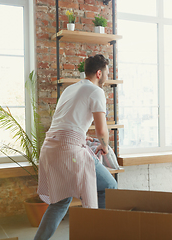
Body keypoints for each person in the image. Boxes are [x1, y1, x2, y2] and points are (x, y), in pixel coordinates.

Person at [34, 54, 118, 240]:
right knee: (109, 186)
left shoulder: (70, 89)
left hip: (50, 148)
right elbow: (102, 131)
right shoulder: (96, 91)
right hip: (68, 151)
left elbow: (65, 123)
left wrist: (82, 136)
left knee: (60, 201)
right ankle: (99, 233)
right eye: (106, 73)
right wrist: (104, 147)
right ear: (99, 73)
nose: (107, 76)